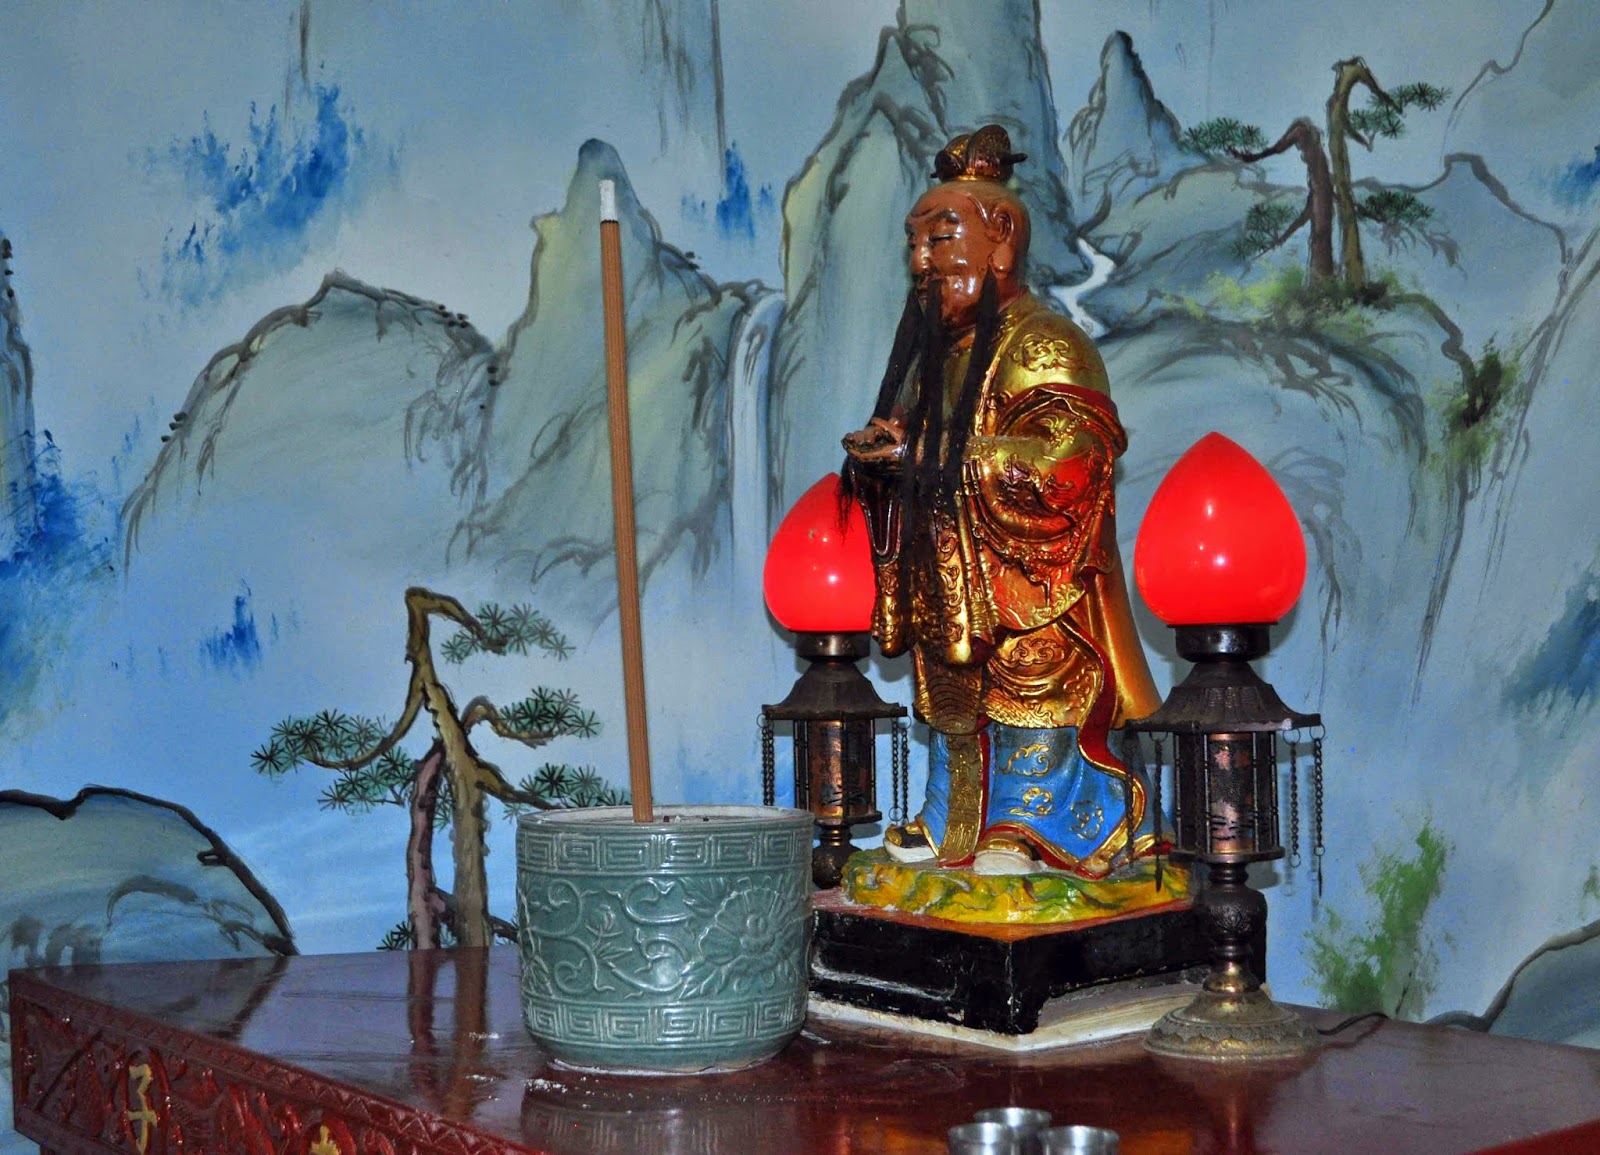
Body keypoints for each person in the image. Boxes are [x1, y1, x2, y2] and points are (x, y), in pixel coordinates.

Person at [842, 125, 1162, 877]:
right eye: (914, 244)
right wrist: (886, 461)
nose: (921, 263)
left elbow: (1071, 467)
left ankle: (1034, 822)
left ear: (1002, 242)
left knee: (1031, 676)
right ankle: (955, 818)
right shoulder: (933, 358)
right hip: (953, 575)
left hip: (1032, 575)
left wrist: (931, 455)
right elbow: (921, 452)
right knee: (952, 691)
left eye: (940, 239)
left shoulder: (1045, 344)